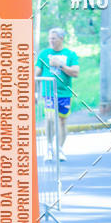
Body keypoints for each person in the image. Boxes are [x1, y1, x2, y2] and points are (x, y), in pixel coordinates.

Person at [35, 28, 80, 161]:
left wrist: (60, 65)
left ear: (61, 39)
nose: (51, 41)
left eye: (54, 38)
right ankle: (49, 148)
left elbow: (75, 73)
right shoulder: (44, 54)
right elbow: (36, 73)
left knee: (62, 121)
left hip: (64, 94)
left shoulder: (70, 54)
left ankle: (59, 149)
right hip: (49, 93)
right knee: (49, 119)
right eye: (50, 38)